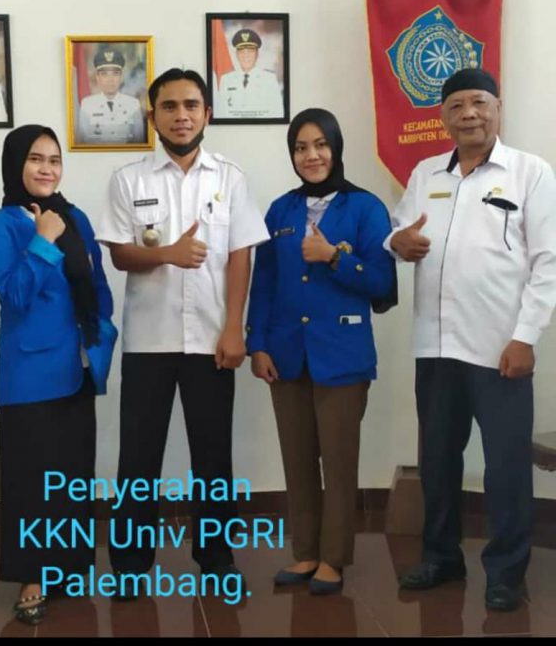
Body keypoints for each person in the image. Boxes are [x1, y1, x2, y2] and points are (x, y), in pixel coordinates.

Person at [95, 68, 269, 596]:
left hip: (212, 340)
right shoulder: (129, 179)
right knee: (138, 458)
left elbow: (240, 255)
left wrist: (234, 329)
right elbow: (120, 254)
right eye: (169, 106)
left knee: (213, 456)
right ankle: (130, 567)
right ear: (153, 116)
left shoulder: (230, 178)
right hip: (149, 341)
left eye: (191, 105)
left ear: (207, 114)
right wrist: (167, 254)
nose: (181, 116)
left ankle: (216, 560)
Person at [389, 68, 556, 612]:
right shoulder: (425, 173)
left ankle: (506, 572)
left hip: (499, 349)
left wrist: (525, 337)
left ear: (497, 108)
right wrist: (399, 242)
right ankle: (441, 557)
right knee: (438, 460)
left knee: (506, 466)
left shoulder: (530, 173)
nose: (468, 114)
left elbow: (547, 263)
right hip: (436, 348)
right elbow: (397, 231)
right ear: (443, 116)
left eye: (479, 103)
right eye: (457, 105)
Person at [246, 108, 396, 595]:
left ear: (336, 147)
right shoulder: (280, 211)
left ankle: (333, 558)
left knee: (338, 459)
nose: (311, 156)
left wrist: (334, 257)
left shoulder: (365, 207)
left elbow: (383, 282)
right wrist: (257, 344)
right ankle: (305, 552)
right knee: (297, 458)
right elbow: (263, 283)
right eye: (301, 147)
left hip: (343, 354)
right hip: (286, 353)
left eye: (320, 145)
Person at [0, 125, 117, 625]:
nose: (46, 168)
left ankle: (68, 568)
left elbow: (97, 285)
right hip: (27, 373)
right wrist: (42, 240)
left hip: (77, 368)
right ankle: (31, 579)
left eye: (54, 160)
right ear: (15, 164)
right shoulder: (0, 225)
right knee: (30, 482)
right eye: (35, 159)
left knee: (72, 477)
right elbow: (15, 295)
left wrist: (101, 334)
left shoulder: (75, 216)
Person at [77, 47, 145, 144]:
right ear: (98, 78)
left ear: (121, 77)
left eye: (115, 74)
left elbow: (139, 142)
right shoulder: (87, 104)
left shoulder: (133, 104)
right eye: (104, 74)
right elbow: (81, 142)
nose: (110, 79)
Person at [214, 29, 284, 119]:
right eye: (242, 52)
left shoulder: (269, 80)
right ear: (236, 54)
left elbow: (277, 113)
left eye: (250, 51)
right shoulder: (226, 80)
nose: (246, 56)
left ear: (257, 54)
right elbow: (220, 114)